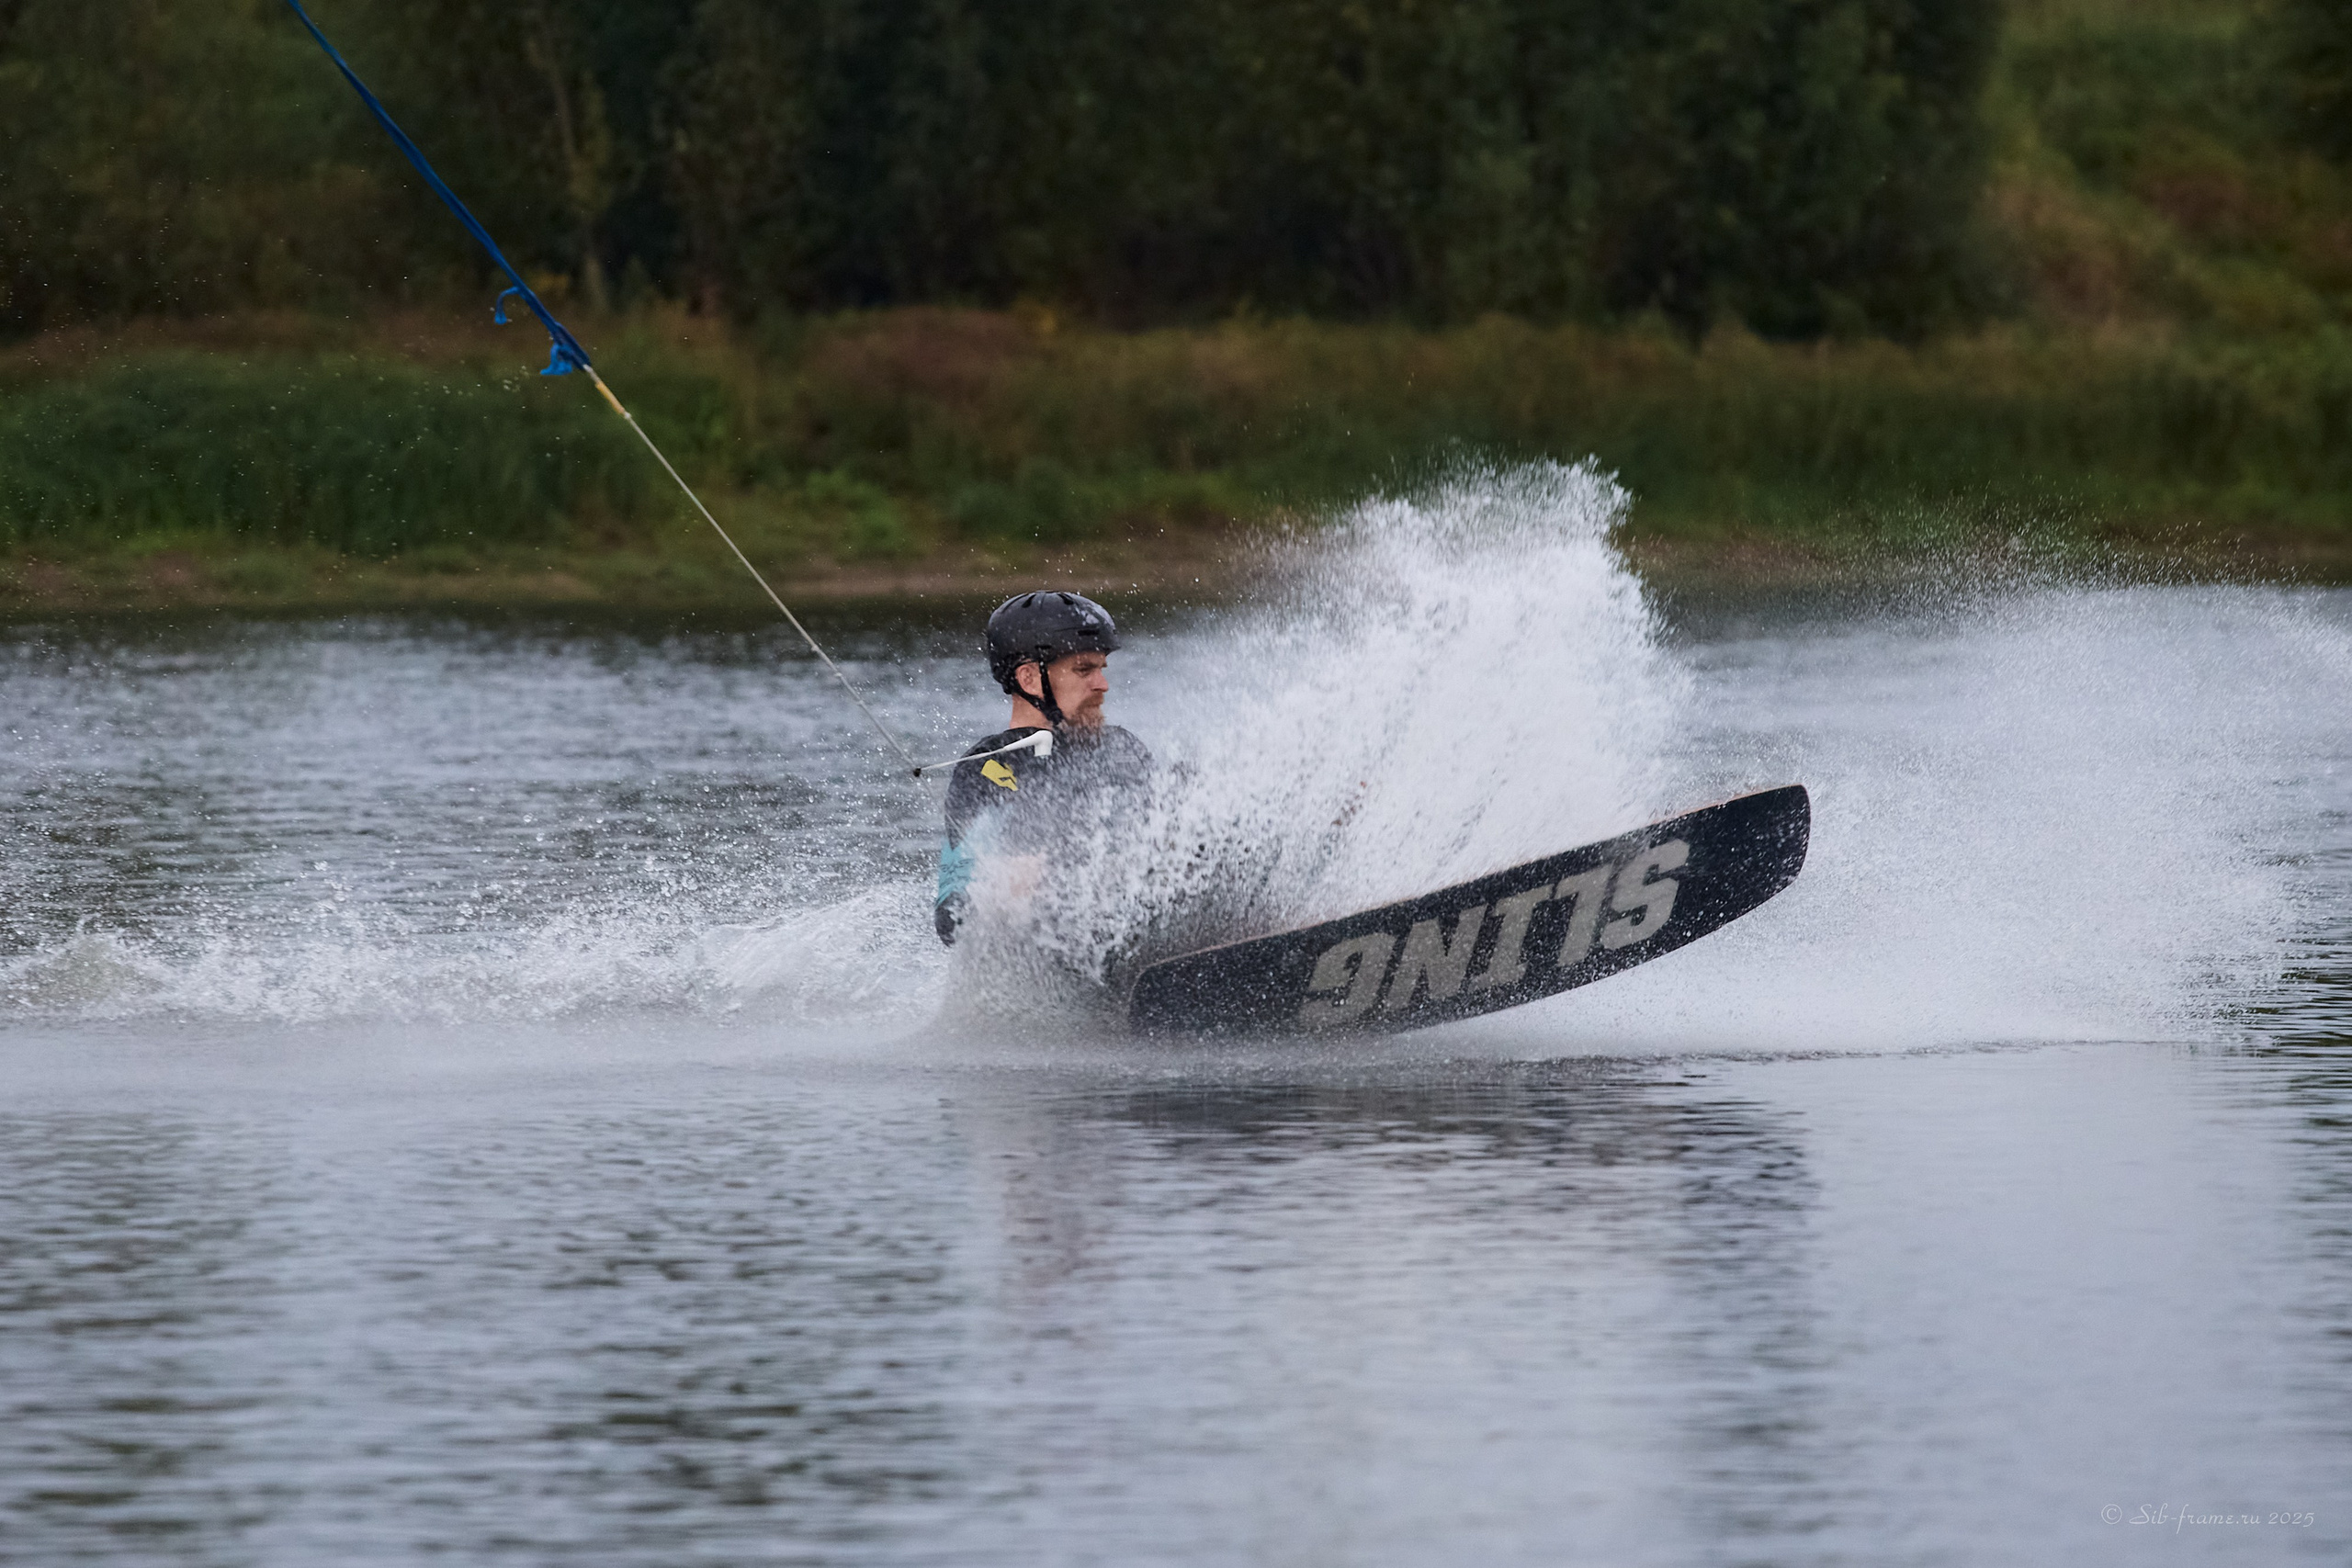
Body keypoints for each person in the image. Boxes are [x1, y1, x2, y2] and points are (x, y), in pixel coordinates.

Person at [934, 591, 1154, 944]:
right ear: (1030, 679)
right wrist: (1004, 886)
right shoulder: (987, 768)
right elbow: (951, 918)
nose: (1102, 684)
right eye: (1084, 669)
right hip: (1055, 951)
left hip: (1147, 924)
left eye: (1101, 669)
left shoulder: (1123, 748)